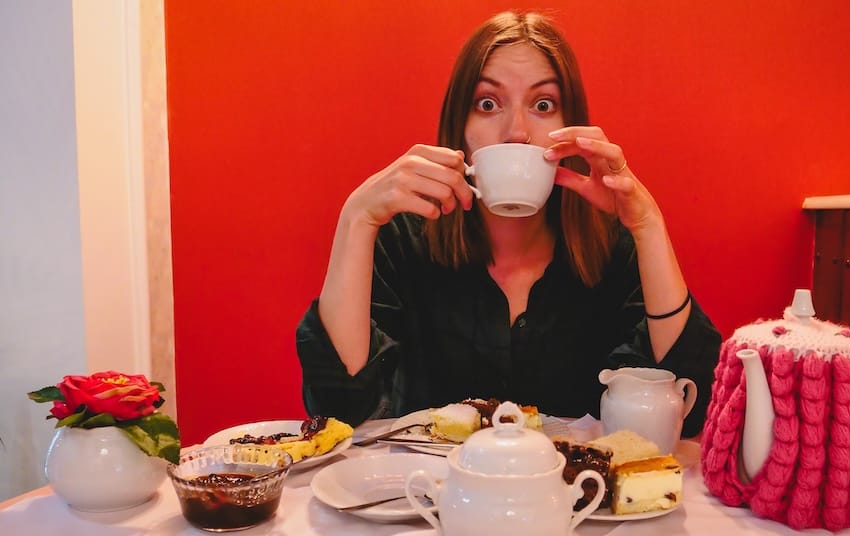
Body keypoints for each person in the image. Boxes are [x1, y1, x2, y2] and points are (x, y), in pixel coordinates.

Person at [296, 11, 722, 437]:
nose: (516, 131)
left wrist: (647, 225)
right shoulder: (406, 238)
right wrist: (356, 219)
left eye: (542, 105)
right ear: (458, 130)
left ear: (570, 126)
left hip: (576, 493)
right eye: (487, 104)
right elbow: (339, 411)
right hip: (428, 497)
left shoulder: (610, 246)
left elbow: (688, 408)